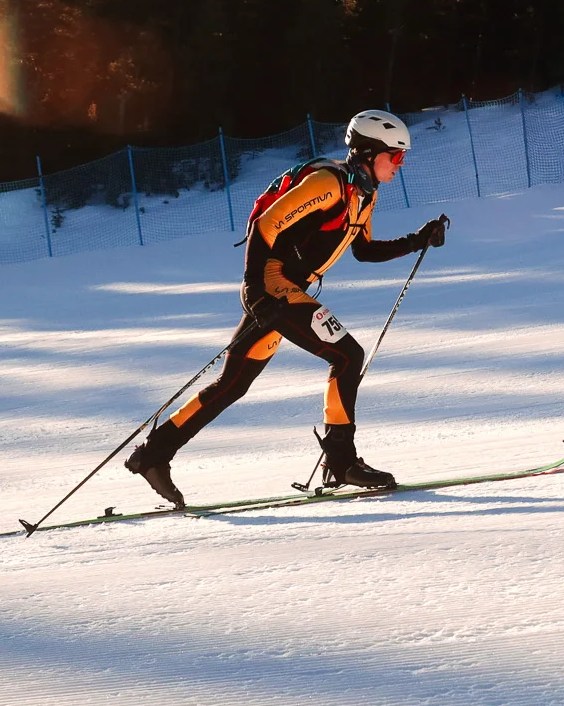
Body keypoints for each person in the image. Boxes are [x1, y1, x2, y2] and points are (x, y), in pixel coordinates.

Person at [124, 110, 450, 506]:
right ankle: (342, 461)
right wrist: (255, 291)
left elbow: (363, 251)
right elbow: (266, 224)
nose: (400, 165)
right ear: (368, 153)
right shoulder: (327, 185)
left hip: (288, 289)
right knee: (348, 356)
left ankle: (153, 455)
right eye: (395, 157)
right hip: (273, 286)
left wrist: (417, 240)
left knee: (232, 384)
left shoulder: (363, 195)